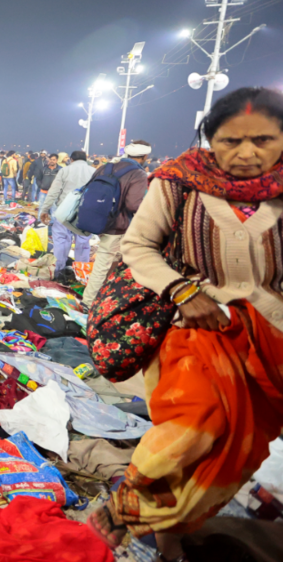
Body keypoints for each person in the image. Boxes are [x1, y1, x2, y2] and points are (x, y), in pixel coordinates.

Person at [89, 87, 283, 562]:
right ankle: (125, 506)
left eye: (263, 139)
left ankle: (170, 541)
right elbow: (138, 247)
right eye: (230, 140)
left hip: (267, 339)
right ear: (210, 139)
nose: (246, 152)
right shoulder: (180, 182)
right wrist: (183, 291)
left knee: (235, 452)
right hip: (193, 328)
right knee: (193, 425)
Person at [80, 140, 151, 306]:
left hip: (100, 219)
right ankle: (89, 302)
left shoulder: (106, 167)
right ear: (145, 156)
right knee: (105, 262)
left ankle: (105, 297)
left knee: (113, 261)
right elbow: (134, 205)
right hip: (120, 225)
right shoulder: (138, 174)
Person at [39, 151, 94, 272]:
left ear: (71, 160)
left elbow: (53, 192)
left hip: (64, 211)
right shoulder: (94, 172)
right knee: (83, 243)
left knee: (61, 241)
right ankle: (81, 274)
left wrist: (44, 209)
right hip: (86, 212)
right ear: (85, 160)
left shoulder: (64, 171)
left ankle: (58, 271)